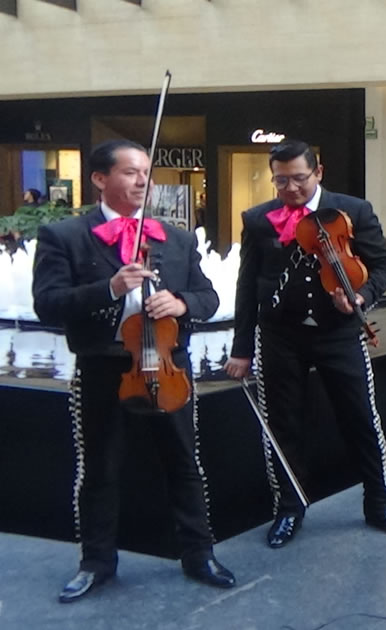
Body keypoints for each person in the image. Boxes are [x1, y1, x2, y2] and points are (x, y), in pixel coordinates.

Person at [32, 140, 235, 602]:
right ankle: (97, 562)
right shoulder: (65, 236)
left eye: (146, 172)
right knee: (100, 467)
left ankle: (199, 553)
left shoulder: (177, 238)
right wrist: (108, 287)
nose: (142, 180)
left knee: (185, 462)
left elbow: (208, 297)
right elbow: (48, 304)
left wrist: (182, 304)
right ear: (100, 179)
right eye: (130, 172)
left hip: (167, 367)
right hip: (105, 367)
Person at [224, 139, 386, 548]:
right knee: (282, 424)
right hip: (280, 335)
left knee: (361, 418)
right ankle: (289, 508)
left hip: (338, 332)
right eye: (280, 181)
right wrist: (241, 348)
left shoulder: (354, 211)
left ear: (319, 173)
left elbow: (383, 267)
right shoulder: (259, 219)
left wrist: (361, 297)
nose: (289, 188)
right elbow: (246, 285)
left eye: (298, 179)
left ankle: (379, 502)